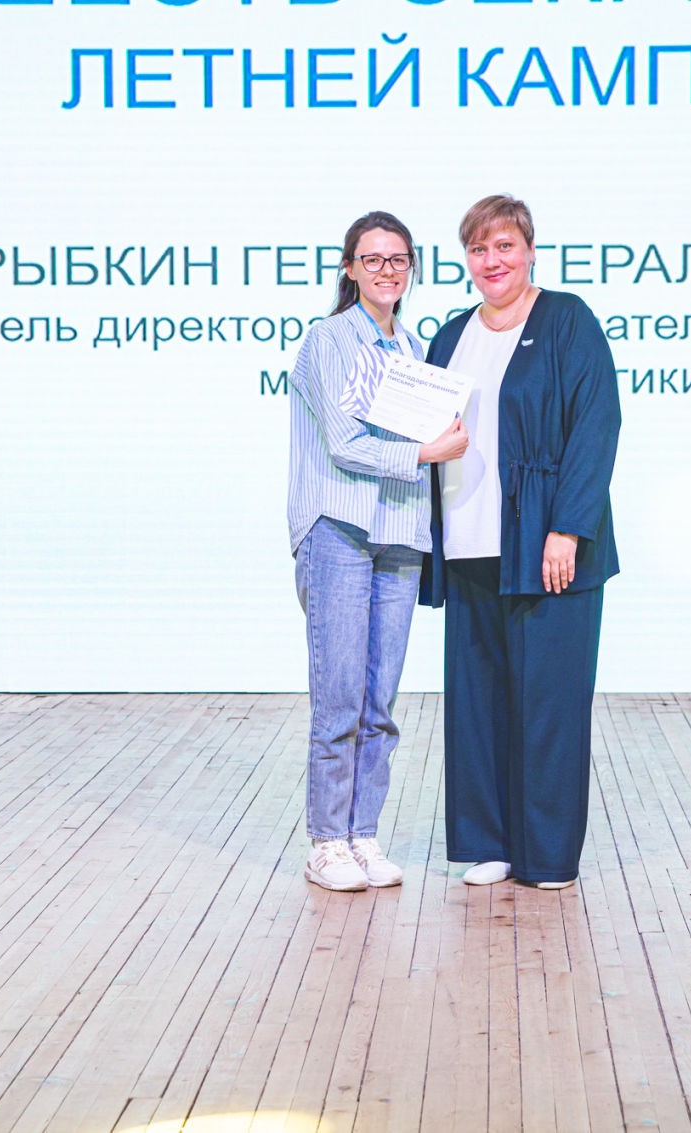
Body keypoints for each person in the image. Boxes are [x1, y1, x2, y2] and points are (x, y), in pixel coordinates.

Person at [421, 194, 621, 890]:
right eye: (478, 249)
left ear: (530, 250)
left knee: (549, 703)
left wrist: (568, 527)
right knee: (477, 703)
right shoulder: (451, 335)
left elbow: (595, 426)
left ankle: (548, 856)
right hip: (467, 543)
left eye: (504, 246)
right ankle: (490, 844)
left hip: (546, 546)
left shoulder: (567, 320)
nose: (492, 260)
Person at [288, 211, 470, 891]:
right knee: (339, 698)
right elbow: (344, 444)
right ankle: (326, 841)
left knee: (380, 704)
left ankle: (362, 833)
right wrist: (426, 452)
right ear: (350, 268)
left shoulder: (415, 350)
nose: (387, 271)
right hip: (340, 527)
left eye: (398, 260)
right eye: (373, 259)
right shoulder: (329, 339)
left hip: (399, 533)